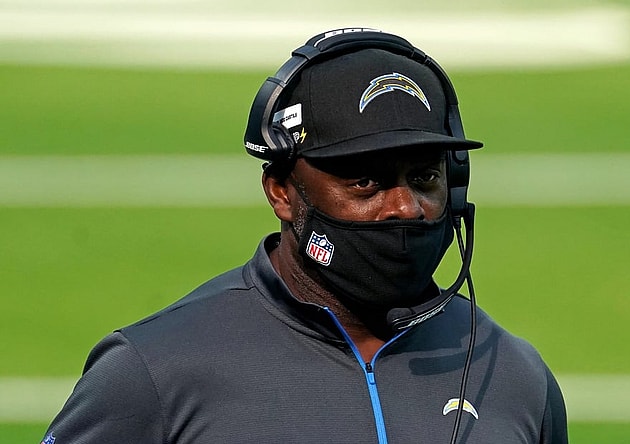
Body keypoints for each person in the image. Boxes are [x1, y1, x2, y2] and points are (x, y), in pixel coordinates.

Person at [42, 28, 568, 444]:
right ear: (281, 192)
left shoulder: (515, 375)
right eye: (366, 181)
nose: (404, 207)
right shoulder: (153, 371)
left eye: (425, 178)